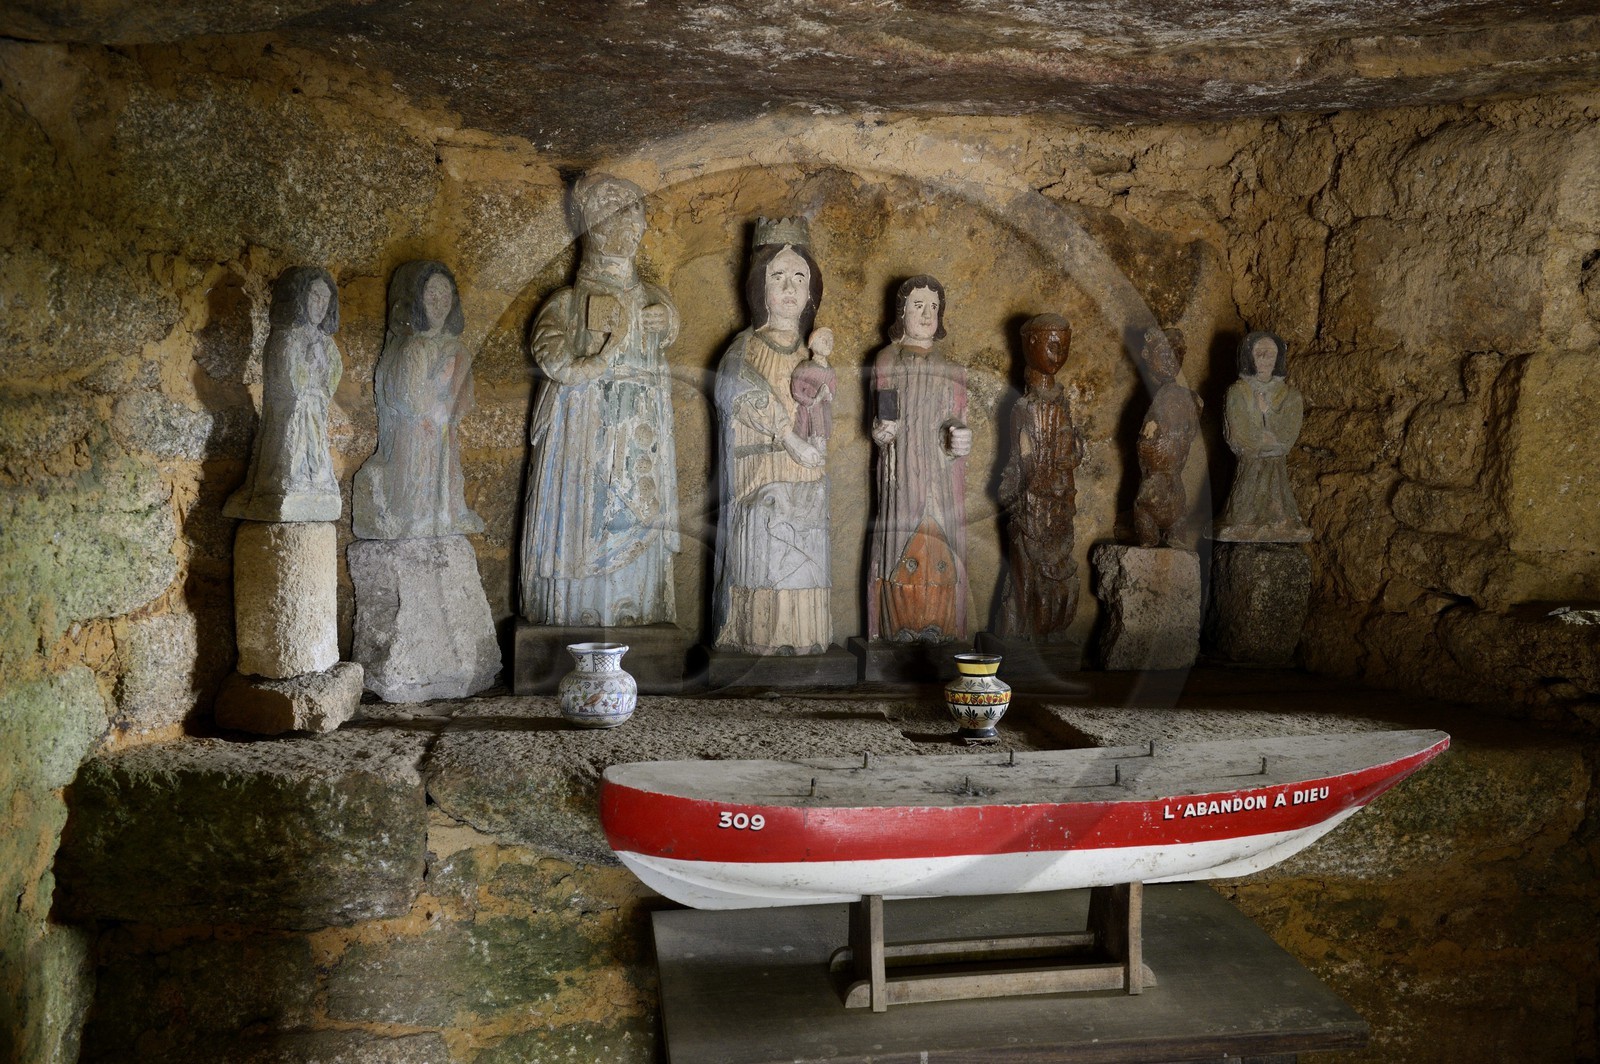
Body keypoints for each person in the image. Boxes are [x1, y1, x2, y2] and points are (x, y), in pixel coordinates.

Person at [520, 174, 681, 626]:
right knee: (588, 515)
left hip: (640, 425)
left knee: (638, 511)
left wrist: (664, 320)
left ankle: (636, 608)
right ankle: (577, 610)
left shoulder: (652, 298)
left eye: (634, 219)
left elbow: (669, 329)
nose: (628, 230)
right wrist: (587, 364)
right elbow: (549, 351)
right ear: (590, 228)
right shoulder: (567, 302)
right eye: (615, 219)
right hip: (587, 430)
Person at [712, 217, 832, 655]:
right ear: (758, 288)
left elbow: (823, 411)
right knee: (766, 547)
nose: (789, 287)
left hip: (806, 476)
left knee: (806, 553)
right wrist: (788, 437)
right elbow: (739, 392)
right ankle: (758, 636)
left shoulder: (810, 354)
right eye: (777, 276)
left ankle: (803, 637)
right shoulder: (744, 347)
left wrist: (816, 438)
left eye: (799, 277)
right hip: (760, 471)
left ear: (812, 289)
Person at [867, 275, 971, 643]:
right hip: (902, 471)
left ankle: (940, 627)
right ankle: (900, 626)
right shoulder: (888, 360)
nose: (927, 315)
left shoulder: (953, 371)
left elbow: (956, 416)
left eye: (933, 307)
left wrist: (959, 436)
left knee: (940, 548)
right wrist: (883, 432)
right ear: (902, 312)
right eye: (918, 306)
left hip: (940, 476)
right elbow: (885, 413)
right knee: (900, 545)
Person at [352, 260, 483, 540]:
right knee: (416, 478)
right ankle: (414, 515)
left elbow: (463, 399)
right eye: (431, 295)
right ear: (416, 298)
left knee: (445, 479)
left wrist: (450, 398)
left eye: (445, 296)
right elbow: (405, 399)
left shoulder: (456, 348)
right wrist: (434, 396)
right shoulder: (412, 347)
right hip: (415, 432)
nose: (439, 303)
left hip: (443, 430)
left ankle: (444, 515)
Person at [225, 266, 343, 523]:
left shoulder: (326, 343)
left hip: (314, 411)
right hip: (289, 413)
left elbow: (332, 379)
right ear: (299, 298)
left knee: (317, 460)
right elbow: (289, 386)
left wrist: (321, 370)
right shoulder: (285, 339)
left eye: (326, 299)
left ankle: (315, 483)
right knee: (287, 458)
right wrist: (310, 363)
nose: (320, 305)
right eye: (314, 296)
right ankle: (280, 486)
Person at [998, 313, 1083, 641]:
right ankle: (1023, 627)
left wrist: (1073, 454)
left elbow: (1069, 453)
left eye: (1064, 344)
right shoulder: (1024, 407)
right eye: (1051, 343)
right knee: (1027, 567)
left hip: (1060, 501)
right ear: (1030, 345)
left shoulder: (1062, 401)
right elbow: (1024, 462)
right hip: (1034, 504)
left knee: (1059, 565)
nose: (1058, 351)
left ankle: (1049, 627)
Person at [1215, 330, 1312, 542]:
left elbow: (1287, 435)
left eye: (1270, 353)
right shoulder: (1238, 392)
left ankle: (1280, 520)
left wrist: (1266, 411)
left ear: (1278, 357)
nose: (1265, 358)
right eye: (1259, 352)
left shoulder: (1290, 395)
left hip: (1277, 466)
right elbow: (1237, 432)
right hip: (1248, 465)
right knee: (1242, 510)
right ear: (1248, 356)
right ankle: (1242, 520)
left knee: (1278, 503)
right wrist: (1264, 439)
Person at [1131, 327, 1202, 549]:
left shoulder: (1166, 398)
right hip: (1173, 486)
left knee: (1144, 516)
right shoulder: (1190, 399)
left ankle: (1155, 537)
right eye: (1164, 355)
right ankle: (1172, 536)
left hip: (1157, 483)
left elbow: (1147, 444)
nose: (1171, 361)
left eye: (1175, 355)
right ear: (1148, 357)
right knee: (1173, 528)